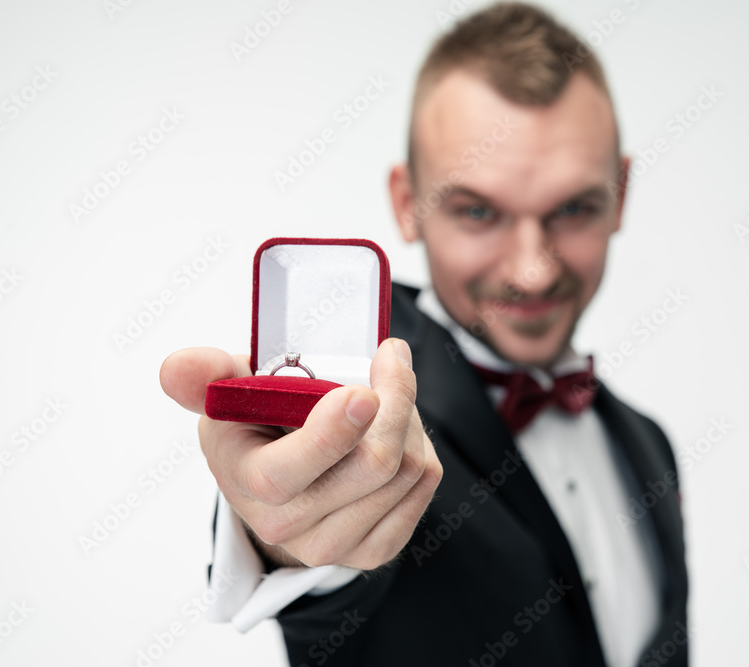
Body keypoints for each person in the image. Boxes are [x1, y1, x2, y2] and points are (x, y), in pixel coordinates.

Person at [160, 3, 689, 665]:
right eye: (477, 210)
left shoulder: (649, 444)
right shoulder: (373, 401)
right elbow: (318, 557)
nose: (531, 270)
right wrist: (288, 530)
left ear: (621, 192)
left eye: (574, 208)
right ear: (408, 204)